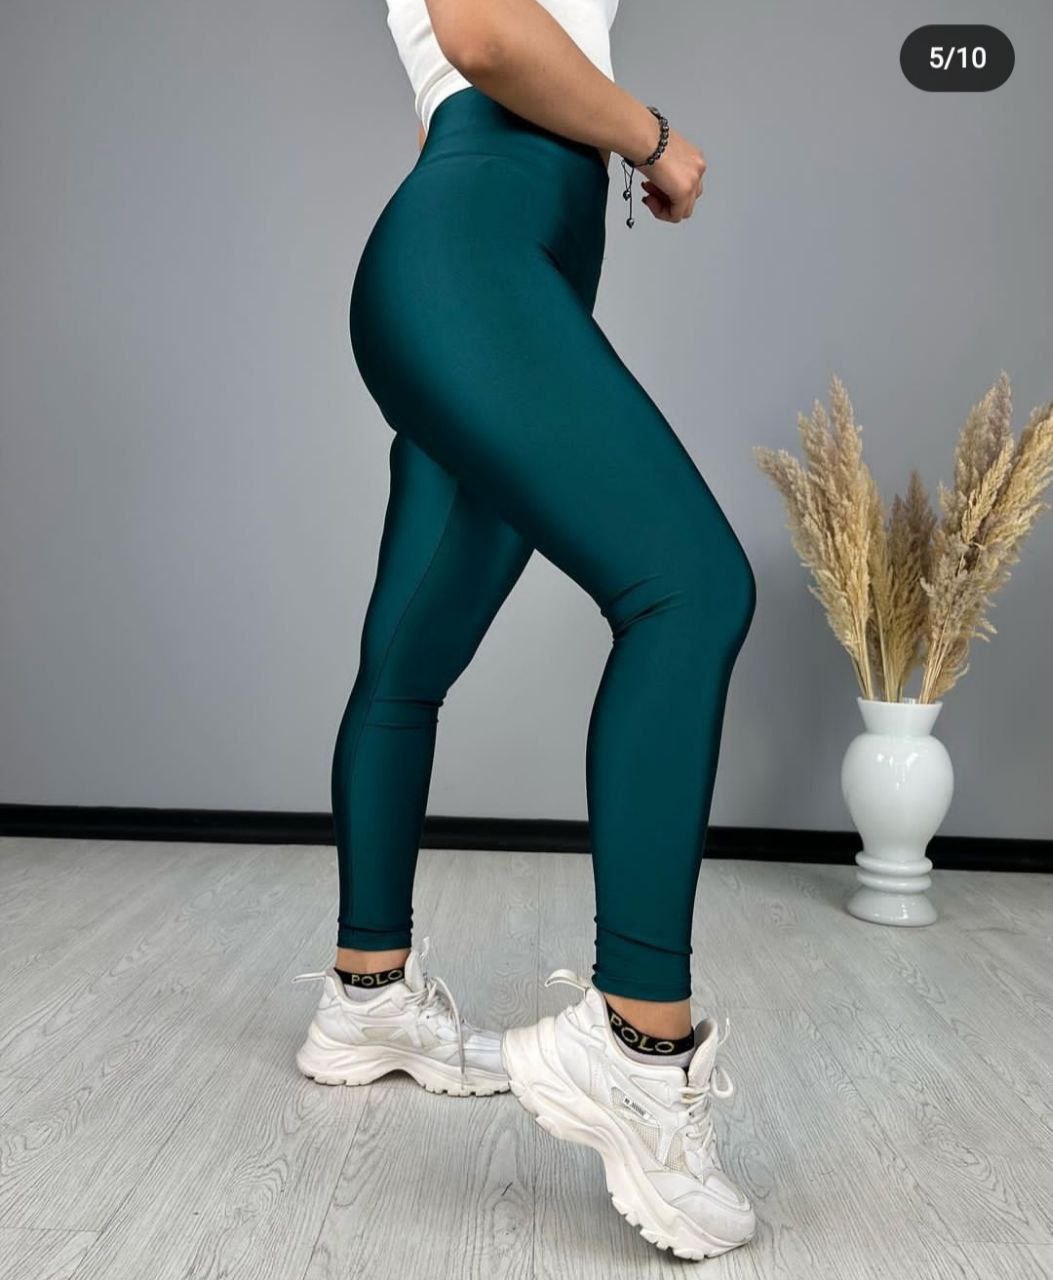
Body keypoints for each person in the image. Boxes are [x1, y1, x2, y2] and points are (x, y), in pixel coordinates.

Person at [295, 0, 757, 1260]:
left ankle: (365, 999)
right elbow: (488, 34)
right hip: (476, 251)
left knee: (407, 665)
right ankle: (638, 1051)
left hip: (488, 256)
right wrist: (653, 137)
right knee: (690, 589)